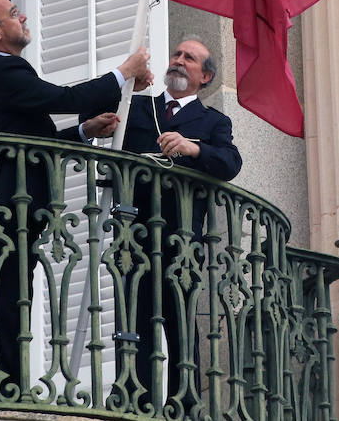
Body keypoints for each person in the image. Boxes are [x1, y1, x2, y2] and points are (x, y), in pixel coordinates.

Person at [0, 0, 152, 397]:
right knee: (6, 296)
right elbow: (63, 100)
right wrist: (123, 73)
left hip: (5, 205)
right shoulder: (3, 69)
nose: (24, 16)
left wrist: (84, 132)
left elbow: (33, 138)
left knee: (9, 296)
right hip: (1, 205)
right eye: (14, 14)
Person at [86, 38, 241, 411]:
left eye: (189, 58)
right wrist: (127, 83)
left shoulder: (213, 122)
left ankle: (182, 404)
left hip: (180, 239)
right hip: (133, 231)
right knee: (132, 319)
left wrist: (193, 148)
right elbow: (89, 113)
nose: (178, 60)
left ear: (205, 76)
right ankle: (131, 397)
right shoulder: (137, 106)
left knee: (180, 321)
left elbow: (230, 162)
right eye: (176, 54)